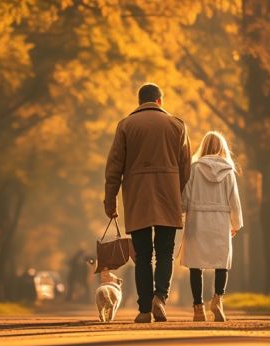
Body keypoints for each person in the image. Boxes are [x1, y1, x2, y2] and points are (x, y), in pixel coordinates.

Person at [104, 83, 191, 323]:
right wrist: (176, 191)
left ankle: (143, 310)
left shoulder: (125, 126)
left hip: (137, 197)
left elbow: (114, 168)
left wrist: (110, 202)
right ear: (160, 101)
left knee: (142, 255)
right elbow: (186, 168)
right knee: (165, 252)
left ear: (140, 102)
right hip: (167, 196)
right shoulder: (177, 125)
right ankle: (159, 298)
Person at [179, 131, 243, 322]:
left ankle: (198, 308)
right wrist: (236, 223)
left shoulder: (194, 168)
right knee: (222, 262)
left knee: (195, 265)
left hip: (197, 220)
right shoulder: (229, 171)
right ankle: (217, 300)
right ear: (222, 148)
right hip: (220, 221)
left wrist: (182, 213)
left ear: (203, 147)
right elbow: (234, 200)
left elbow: (185, 196)